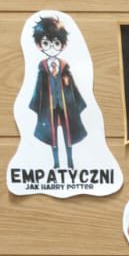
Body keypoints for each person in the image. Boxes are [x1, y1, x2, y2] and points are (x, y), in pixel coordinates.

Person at [28, 14, 87, 170]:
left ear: (63, 45)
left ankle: (70, 161)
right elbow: (38, 88)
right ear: (39, 45)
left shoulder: (64, 66)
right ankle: (56, 163)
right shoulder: (42, 68)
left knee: (68, 135)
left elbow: (72, 86)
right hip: (49, 108)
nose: (51, 48)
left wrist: (78, 103)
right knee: (52, 136)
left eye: (56, 43)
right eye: (46, 43)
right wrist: (36, 105)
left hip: (66, 107)